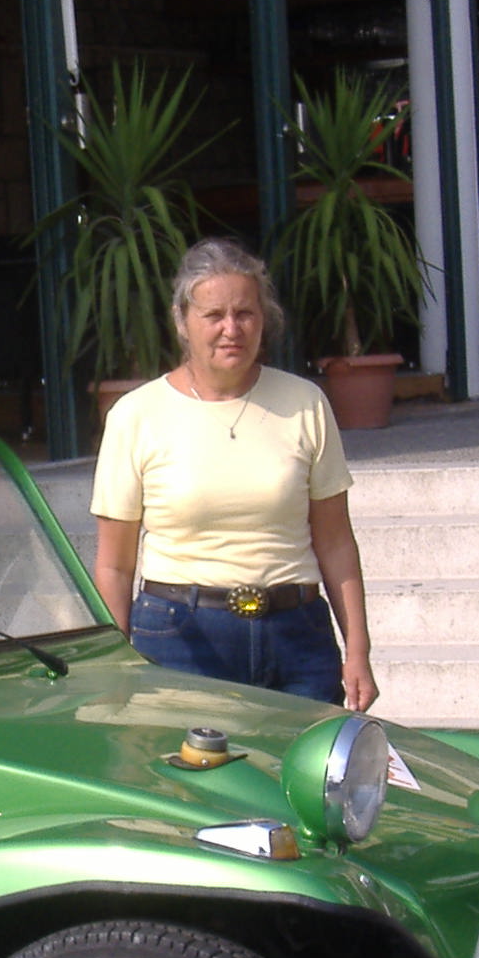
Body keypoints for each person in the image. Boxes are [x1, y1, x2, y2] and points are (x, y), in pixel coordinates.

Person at [90, 238, 378, 712]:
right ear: (183, 322)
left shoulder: (306, 404)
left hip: (297, 637)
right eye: (214, 316)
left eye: (245, 313)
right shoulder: (135, 416)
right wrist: (115, 666)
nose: (231, 329)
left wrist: (359, 651)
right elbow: (114, 565)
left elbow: (336, 542)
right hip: (180, 639)